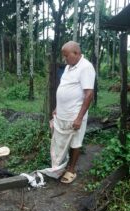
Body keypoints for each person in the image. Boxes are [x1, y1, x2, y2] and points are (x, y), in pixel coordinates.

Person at [52, 40, 95, 184]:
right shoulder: (69, 67)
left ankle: (71, 170)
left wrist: (79, 118)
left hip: (75, 114)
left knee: (75, 142)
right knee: (61, 141)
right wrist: (58, 107)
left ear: (76, 53)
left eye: (66, 56)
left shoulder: (86, 67)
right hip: (63, 113)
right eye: (64, 56)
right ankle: (61, 166)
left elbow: (89, 94)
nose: (65, 59)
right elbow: (64, 87)